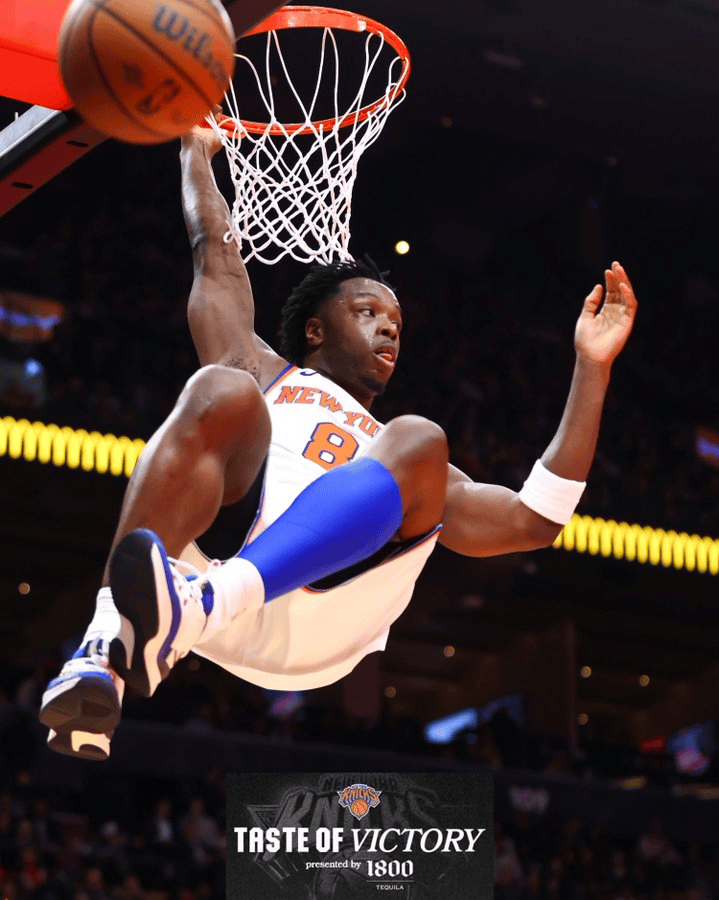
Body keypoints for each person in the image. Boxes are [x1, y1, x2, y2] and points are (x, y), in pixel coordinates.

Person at [39, 122, 638, 760]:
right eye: (368, 313)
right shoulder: (263, 370)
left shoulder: (407, 459)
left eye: (397, 322)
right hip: (197, 582)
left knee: (419, 437)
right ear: (316, 331)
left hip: (314, 624)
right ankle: (105, 647)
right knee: (221, 388)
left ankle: (209, 602)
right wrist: (194, 153)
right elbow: (214, 253)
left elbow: (535, 520)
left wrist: (592, 367)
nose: (389, 329)